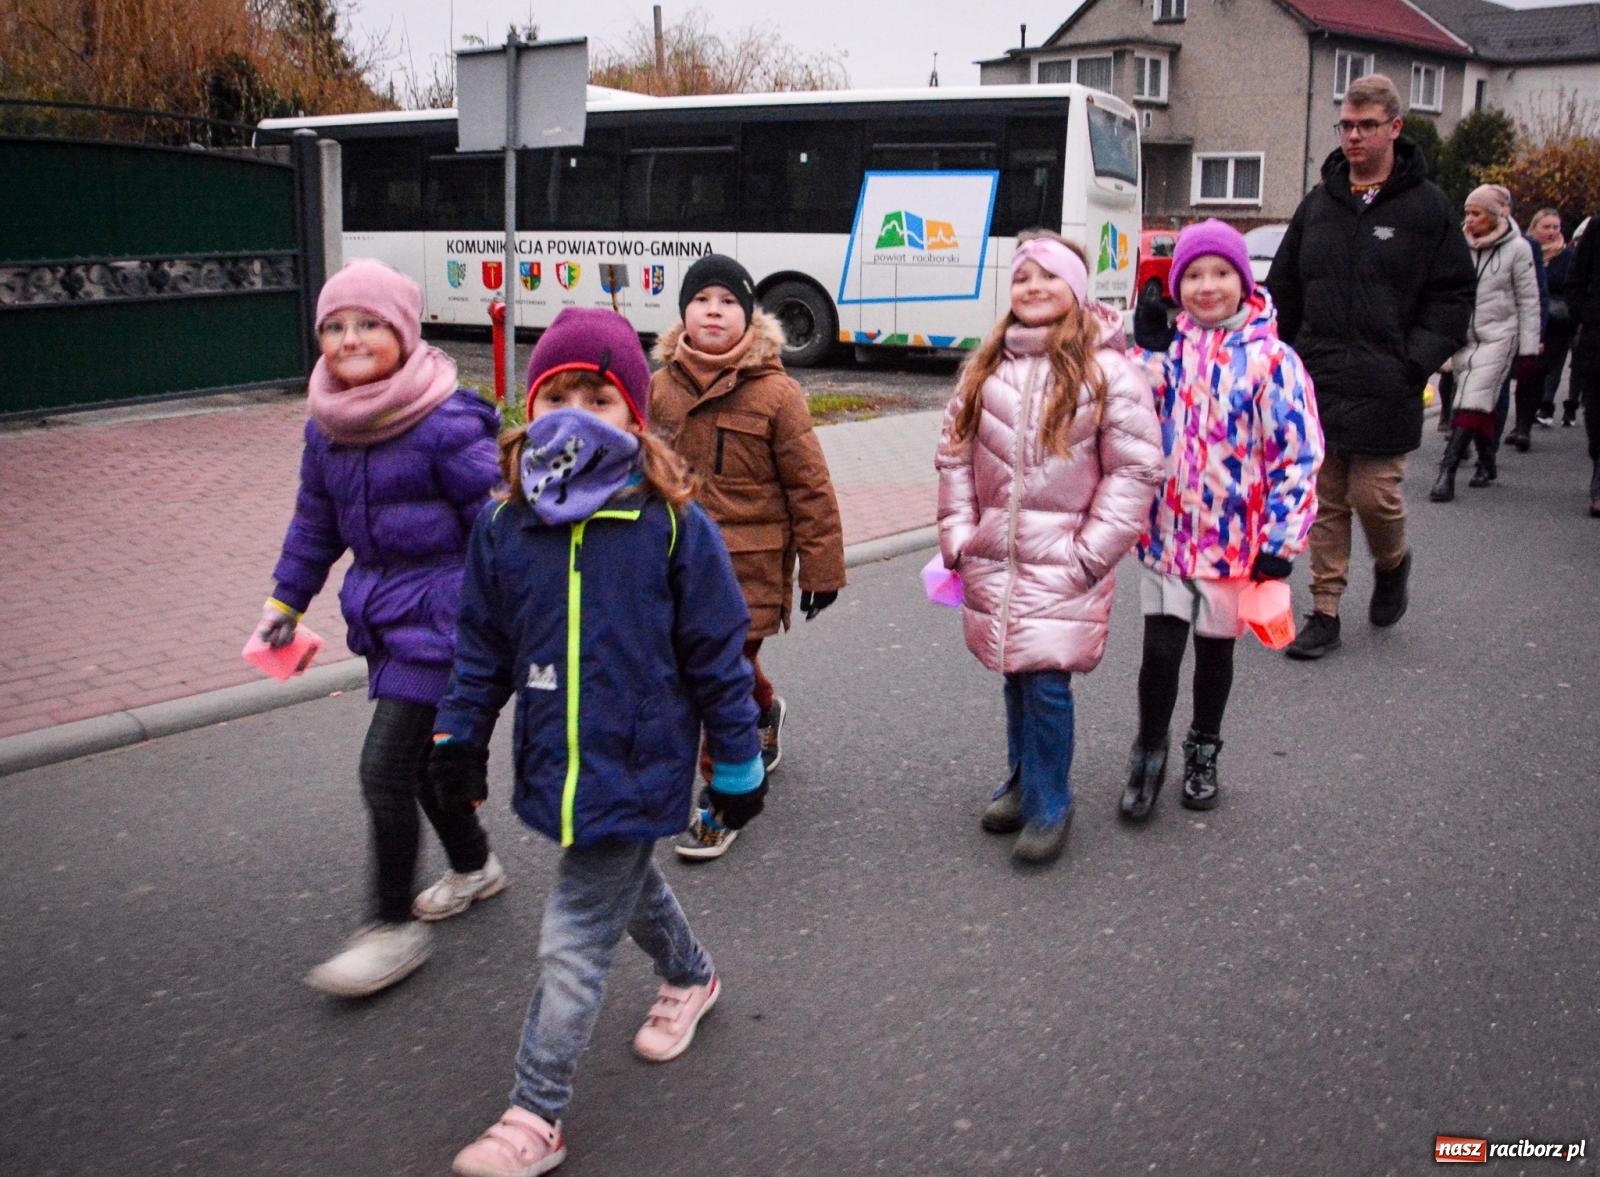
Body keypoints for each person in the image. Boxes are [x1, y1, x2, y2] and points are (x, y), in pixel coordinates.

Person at [432, 308, 767, 1177]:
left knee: (573, 934)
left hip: (641, 761)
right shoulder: (505, 528)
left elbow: (715, 653)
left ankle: (534, 1114)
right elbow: (481, 649)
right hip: (561, 765)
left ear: (634, 412)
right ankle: (692, 975)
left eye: (600, 395)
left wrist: (736, 758)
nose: (578, 411)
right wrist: (458, 738)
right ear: (531, 404)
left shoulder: (668, 525)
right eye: (559, 394)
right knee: (626, 878)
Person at [256, 258, 506, 998]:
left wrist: (516, 621)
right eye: (334, 325)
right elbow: (315, 523)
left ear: (404, 330)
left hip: (449, 620)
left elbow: (496, 526)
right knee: (429, 765)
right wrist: (284, 603)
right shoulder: (329, 426)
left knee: (383, 769)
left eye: (368, 323)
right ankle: (474, 863)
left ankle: (392, 926)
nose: (349, 338)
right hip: (387, 616)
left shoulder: (445, 420)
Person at [935, 231, 1163, 864]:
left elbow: (1135, 469)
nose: (1033, 288)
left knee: (1047, 684)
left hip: (1064, 558)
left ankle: (1051, 801)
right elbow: (953, 454)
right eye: (1022, 278)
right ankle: (1021, 782)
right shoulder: (988, 364)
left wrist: (1090, 553)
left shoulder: (1106, 369)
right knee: (1015, 673)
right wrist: (958, 533)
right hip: (996, 555)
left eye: (1049, 277)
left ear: (1077, 290)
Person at [1266, 73, 1474, 659]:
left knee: (1373, 495)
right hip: (1319, 379)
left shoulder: (1427, 207)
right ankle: (1324, 611)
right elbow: (1281, 288)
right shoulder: (1321, 202)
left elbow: (1454, 295)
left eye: (1366, 126)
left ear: (1394, 128)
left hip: (1388, 380)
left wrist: (1415, 361)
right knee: (1326, 498)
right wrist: (1278, 358)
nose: (1354, 137)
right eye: (1347, 126)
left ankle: (1393, 560)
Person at [1122, 220, 1322, 819]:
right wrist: (1144, 353)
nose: (1207, 287)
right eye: (1194, 276)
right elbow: (1131, 415)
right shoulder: (1167, 349)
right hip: (1166, 538)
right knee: (1158, 654)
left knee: (1214, 655)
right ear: (1177, 284)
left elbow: (1299, 455)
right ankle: (1148, 748)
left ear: (1243, 280)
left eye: (1221, 273)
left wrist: (1281, 544)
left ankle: (1203, 747)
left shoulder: (1273, 361)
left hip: (1234, 548)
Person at [649, 254, 846, 860]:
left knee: (713, 682)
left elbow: (810, 485)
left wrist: (821, 569)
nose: (714, 309)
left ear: (749, 316)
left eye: (728, 301)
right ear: (683, 312)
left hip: (748, 570)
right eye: (701, 299)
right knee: (713, 672)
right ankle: (765, 710)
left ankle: (720, 799)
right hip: (671, 567)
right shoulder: (656, 388)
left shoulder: (776, 393)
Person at [1429, 186, 1541, 502]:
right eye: (1467, 212)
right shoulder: (1458, 247)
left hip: (1500, 335)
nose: (1470, 219)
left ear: (1493, 217)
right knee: (1471, 399)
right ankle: (1487, 461)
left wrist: (1529, 350)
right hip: (1464, 336)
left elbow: (1529, 300)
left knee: (1473, 399)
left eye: (1476, 213)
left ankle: (1446, 472)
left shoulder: (1518, 249)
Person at [1526, 208, 1579, 429]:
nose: (1551, 232)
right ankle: (1528, 410)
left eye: (1555, 227)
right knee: (1532, 367)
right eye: (1546, 227)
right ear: (1534, 227)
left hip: (1558, 319)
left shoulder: (1566, 256)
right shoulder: (1525, 251)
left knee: (1553, 364)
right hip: (1531, 315)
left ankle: (1546, 405)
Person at [1566, 209, 1600, 515]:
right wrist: (1587, 314)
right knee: (1596, 409)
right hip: (1597, 335)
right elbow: (1575, 281)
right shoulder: (1596, 228)